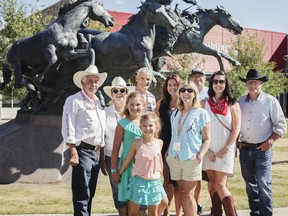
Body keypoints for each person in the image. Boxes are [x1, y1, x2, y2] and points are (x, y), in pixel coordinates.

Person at [237, 69, 287, 216]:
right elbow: (233, 123)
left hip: (263, 150)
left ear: (261, 84)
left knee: (263, 183)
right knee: (250, 184)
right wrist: (237, 143)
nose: (252, 85)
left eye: (255, 82)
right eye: (250, 82)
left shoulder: (270, 101)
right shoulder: (240, 102)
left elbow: (281, 124)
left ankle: (267, 213)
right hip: (245, 149)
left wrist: (270, 141)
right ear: (246, 84)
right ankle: (255, 212)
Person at [61, 65, 107, 216]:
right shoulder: (73, 100)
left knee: (90, 193)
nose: (93, 84)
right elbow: (68, 126)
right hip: (83, 151)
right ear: (82, 82)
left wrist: (102, 157)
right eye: (90, 81)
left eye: (96, 82)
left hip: (96, 153)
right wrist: (73, 150)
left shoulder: (98, 102)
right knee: (82, 193)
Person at [166, 81, 211, 216]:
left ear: (195, 94)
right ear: (179, 93)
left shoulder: (201, 113)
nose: (186, 93)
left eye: (190, 90)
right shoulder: (175, 113)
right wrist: (168, 152)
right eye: (183, 90)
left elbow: (207, 139)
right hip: (175, 157)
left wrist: (200, 156)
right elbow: (174, 135)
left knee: (189, 194)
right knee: (181, 192)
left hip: (191, 158)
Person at [202, 70, 241, 216]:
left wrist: (225, 148)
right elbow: (199, 128)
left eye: (221, 81)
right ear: (211, 84)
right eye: (215, 81)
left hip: (225, 150)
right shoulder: (204, 103)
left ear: (226, 84)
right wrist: (208, 151)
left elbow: (236, 129)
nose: (218, 84)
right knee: (212, 185)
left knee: (220, 184)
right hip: (209, 150)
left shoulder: (233, 104)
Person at [118, 112, 168, 216]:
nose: (147, 128)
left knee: (154, 212)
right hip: (139, 182)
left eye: (150, 125)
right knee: (133, 213)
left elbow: (159, 162)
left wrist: (161, 176)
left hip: (155, 182)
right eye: (144, 126)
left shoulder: (159, 143)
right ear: (140, 127)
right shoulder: (137, 143)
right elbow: (128, 159)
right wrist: (119, 172)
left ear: (156, 127)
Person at [102, 76, 134, 216]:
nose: (119, 93)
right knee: (117, 191)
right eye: (116, 90)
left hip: (132, 158)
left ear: (127, 92)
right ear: (111, 94)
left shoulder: (133, 112)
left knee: (132, 190)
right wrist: (102, 161)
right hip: (111, 158)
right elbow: (101, 138)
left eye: (122, 90)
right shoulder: (104, 113)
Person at [111, 92, 146, 215]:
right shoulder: (122, 124)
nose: (134, 107)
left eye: (137, 104)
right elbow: (115, 149)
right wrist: (114, 170)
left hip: (144, 168)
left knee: (143, 204)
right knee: (131, 204)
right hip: (128, 168)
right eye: (131, 104)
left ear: (143, 105)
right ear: (127, 106)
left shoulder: (148, 123)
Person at [155, 74, 183, 216]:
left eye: (175, 85)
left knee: (178, 182)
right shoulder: (162, 103)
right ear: (166, 87)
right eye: (170, 85)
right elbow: (155, 125)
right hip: (164, 147)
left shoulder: (184, 103)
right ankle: (167, 211)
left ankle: (178, 213)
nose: (172, 87)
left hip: (180, 147)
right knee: (167, 181)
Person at [189, 67, 208, 214]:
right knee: (195, 175)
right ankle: (196, 204)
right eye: (194, 77)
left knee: (211, 177)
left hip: (207, 140)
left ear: (205, 78)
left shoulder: (209, 93)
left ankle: (201, 203)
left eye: (200, 77)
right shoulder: (187, 92)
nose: (197, 79)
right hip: (192, 141)